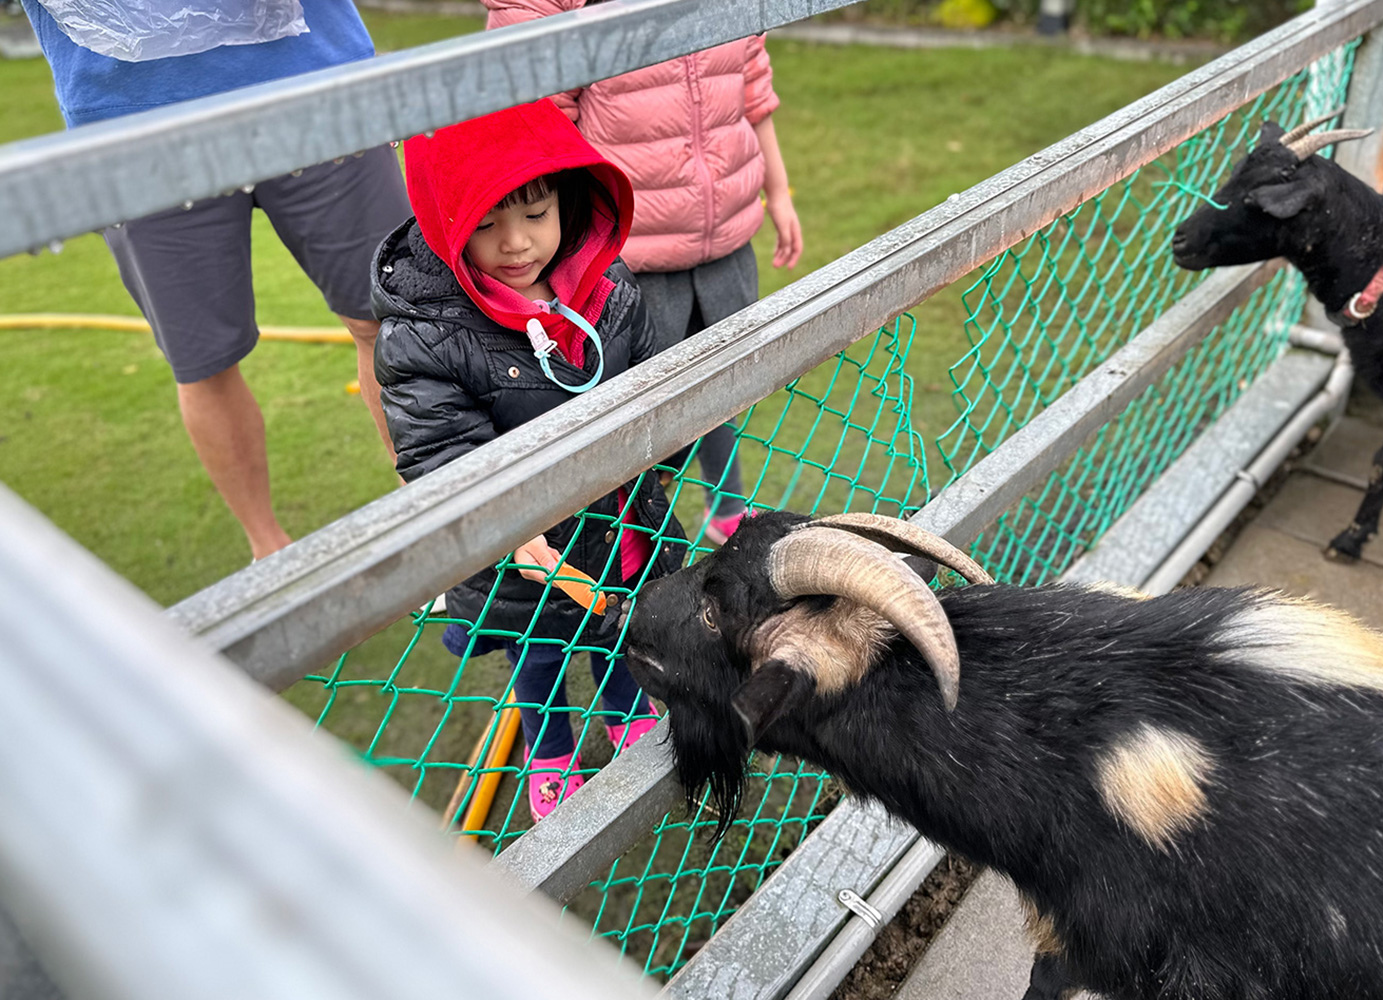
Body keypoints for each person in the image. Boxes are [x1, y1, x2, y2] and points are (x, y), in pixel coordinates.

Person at [373, 100, 685, 821]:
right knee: (539, 655)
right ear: (445, 224)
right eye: (483, 223)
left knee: (617, 629)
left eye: (536, 213)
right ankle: (549, 751)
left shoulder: (606, 282)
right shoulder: (427, 332)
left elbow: (652, 374)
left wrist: (666, 441)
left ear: (569, 201)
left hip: (620, 520)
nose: (516, 243)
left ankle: (626, 710)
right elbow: (438, 449)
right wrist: (507, 527)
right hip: (529, 552)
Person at [18, 0, 411, 561]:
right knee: (203, 359)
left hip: (314, 82)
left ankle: (428, 512)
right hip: (132, 122)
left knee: (390, 318)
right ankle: (269, 555)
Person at [484, 0, 804, 544]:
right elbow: (539, 125)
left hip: (725, 237)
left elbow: (751, 81)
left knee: (724, 380)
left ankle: (728, 506)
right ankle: (627, 536)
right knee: (637, 409)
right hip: (631, 257)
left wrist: (778, 191)